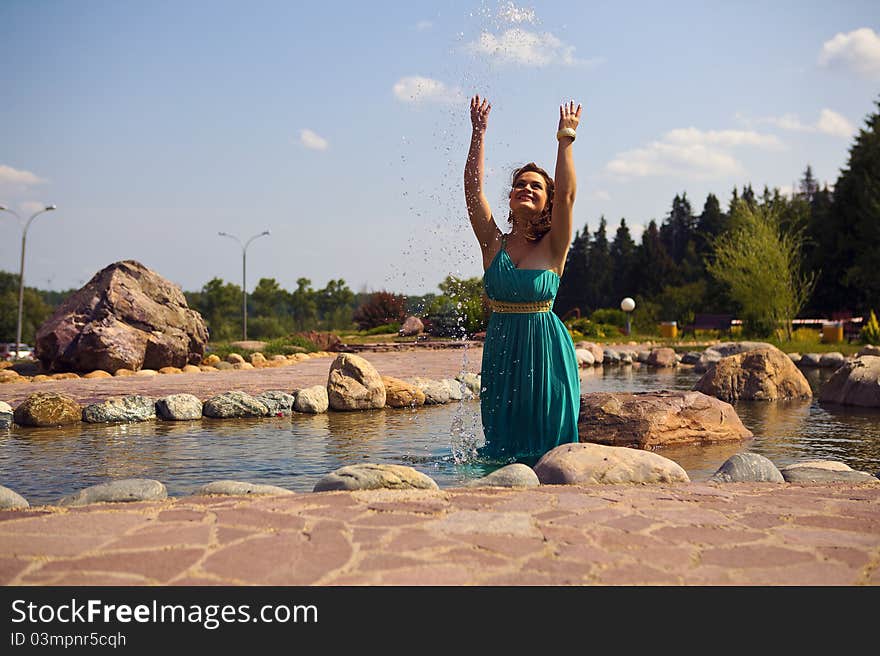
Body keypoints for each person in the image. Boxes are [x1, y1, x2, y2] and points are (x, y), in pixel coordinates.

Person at [464, 94, 582, 465]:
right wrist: (478, 133)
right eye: (520, 184)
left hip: (545, 352)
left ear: (546, 201)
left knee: (549, 451)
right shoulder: (492, 243)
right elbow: (472, 192)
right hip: (502, 349)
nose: (526, 189)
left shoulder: (554, 245)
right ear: (511, 196)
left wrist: (565, 139)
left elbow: (566, 196)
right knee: (502, 451)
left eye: (536, 186)